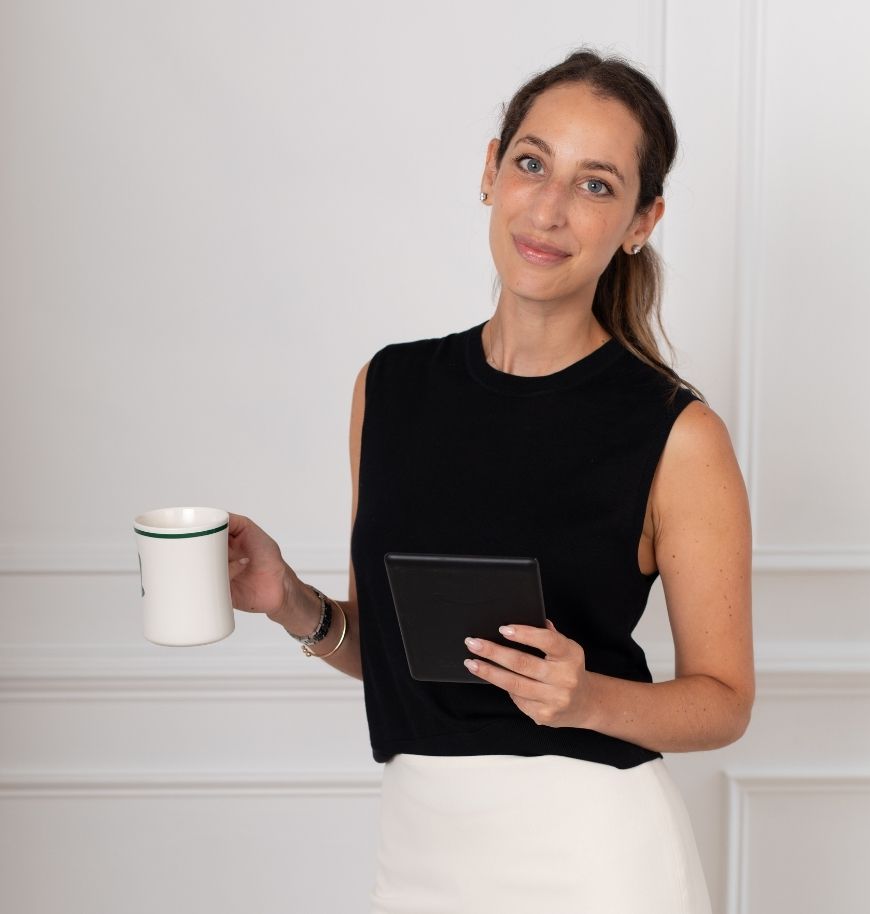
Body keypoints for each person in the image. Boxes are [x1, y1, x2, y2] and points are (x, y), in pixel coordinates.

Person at [227, 48, 753, 914]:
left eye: (595, 185)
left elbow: (725, 702)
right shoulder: (390, 388)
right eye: (532, 164)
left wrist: (588, 697)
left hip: (595, 862)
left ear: (641, 221)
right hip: (419, 856)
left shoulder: (677, 434)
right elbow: (394, 654)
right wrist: (294, 604)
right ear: (490, 171)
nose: (548, 208)